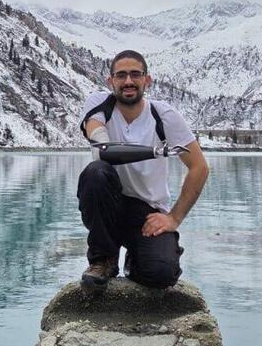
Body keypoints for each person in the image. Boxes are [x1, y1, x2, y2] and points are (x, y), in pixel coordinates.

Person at [77, 49, 209, 289]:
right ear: (111, 81)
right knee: (96, 172)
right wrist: (154, 151)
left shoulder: (164, 115)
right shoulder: (98, 103)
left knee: (161, 274)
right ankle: (103, 260)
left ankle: (136, 260)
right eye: (121, 75)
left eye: (136, 74)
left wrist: (174, 218)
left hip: (147, 212)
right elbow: (101, 150)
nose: (128, 81)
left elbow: (199, 167)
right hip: (108, 205)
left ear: (147, 80)